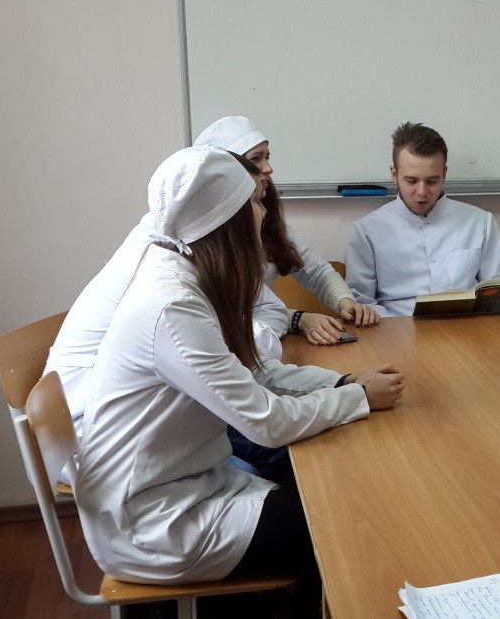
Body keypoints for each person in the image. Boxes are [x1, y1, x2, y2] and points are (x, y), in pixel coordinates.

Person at [73, 147, 405, 617]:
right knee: (340, 519)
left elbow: (254, 373)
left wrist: (343, 382)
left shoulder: (189, 276)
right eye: (254, 202)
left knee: (325, 492)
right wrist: (357, 398)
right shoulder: (173, 305)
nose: (264, 211)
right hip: (151, 522)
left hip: (183, 484)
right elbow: (266, 423)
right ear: (224, 219)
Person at [195, 115, 381, 347]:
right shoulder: (206, 240)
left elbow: (317, 271)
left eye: (267, 157)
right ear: (227, 174)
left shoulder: (267, 218)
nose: (268, 168)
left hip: (268, 342)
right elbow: (238, 312)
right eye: (256, 159)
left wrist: (346, 302)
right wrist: (298, 320)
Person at [345, 122, 500, 316]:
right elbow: (362, 303)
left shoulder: (480, 222)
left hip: (467, 328)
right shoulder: (367, 231)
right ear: (394, 174)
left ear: (444, 174)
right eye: (411, 181)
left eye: (432, 181)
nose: (422, 192)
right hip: (396, 327)